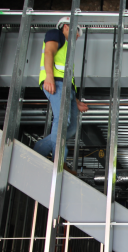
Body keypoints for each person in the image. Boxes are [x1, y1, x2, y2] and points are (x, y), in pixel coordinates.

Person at [33, 17, 89, 175]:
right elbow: (48, 53)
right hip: (56, 83)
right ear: (66, 26)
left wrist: (75, 100)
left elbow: (67, 75)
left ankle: (38, 150)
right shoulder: (55, 34)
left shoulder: (67, 49)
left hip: (66, 88)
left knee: (70, 128)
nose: (77, 36)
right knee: (62, 119)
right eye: (77, 31)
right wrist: (49, 76)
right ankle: (59, 161)